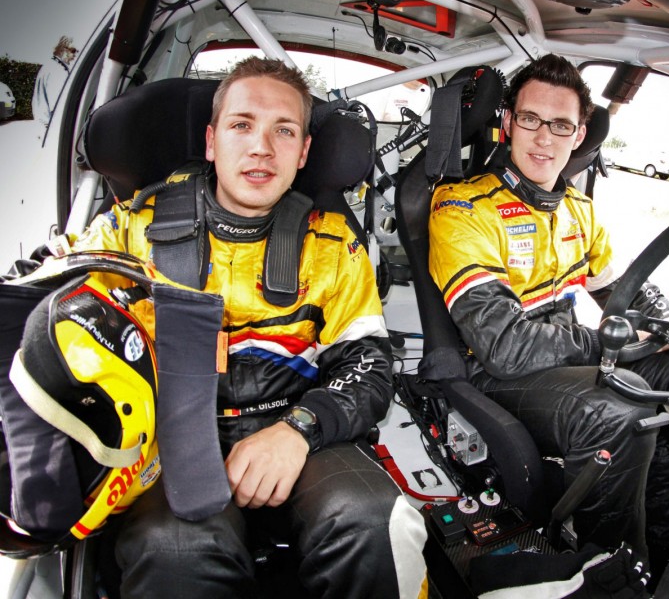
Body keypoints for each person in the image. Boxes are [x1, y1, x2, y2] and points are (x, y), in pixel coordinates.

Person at [70, 57, 427, 598]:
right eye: (242, 125)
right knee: (172, 550)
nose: (262, 146)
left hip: (297, 427)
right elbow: (63, 335)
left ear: (304, 151)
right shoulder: (125, 232)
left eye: (284, 130)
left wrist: (299, 429)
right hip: (165, 443)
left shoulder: (332, 243)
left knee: (380, 520)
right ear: (212, 141)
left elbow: (370, 365)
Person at [428, 54, 669, 587]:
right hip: (498, 373)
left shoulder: (578, 210)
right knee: (619, 409)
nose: (544, 138)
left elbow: (622, 292)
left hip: (562, 359)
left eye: (560, 125)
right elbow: (505, 347)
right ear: (509, 122)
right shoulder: (462, 207)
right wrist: (609, 345)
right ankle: (612, 579)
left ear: (579, 133)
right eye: (531, 120)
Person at [32, 35, 78, 127]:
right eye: (73, 51)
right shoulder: (56, 71)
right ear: (63, 50)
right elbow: (59, 106)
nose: (75, 54)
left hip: (43, 125)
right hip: (50, 126)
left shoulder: (50, 66)